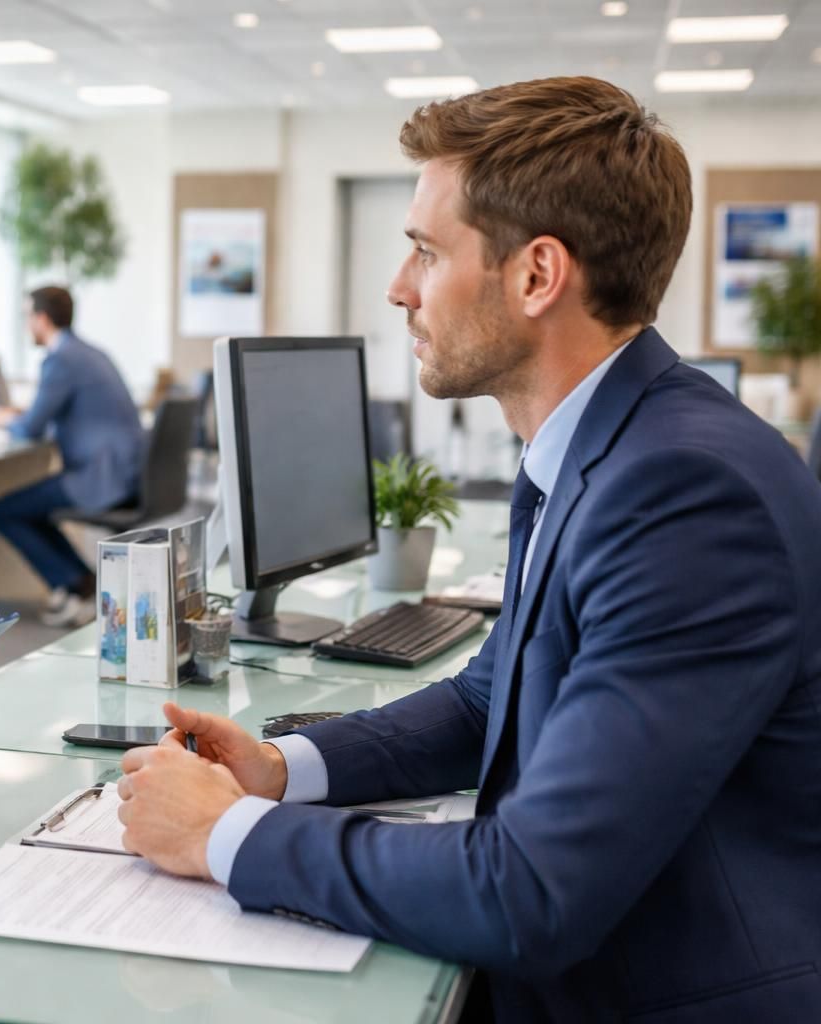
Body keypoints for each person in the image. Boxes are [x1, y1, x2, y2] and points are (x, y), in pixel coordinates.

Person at [115, 77, 821, 1022]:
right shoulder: (606, 442)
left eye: (424, 251)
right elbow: (491, 694)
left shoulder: (686, 493)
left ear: (536, 275)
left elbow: (530, 890)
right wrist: (282, 771)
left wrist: (226, 835)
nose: (399, 288)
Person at [0, 286, 144, 626]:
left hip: (101, 477)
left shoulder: (62, 359)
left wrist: (4, 419)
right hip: (125, 471)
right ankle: (79, 584)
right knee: (32, 508)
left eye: (28, 317)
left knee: (3, 511)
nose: (27, 325)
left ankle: (75, 584)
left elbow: (30, 428)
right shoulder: (90, 352)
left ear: (41, 319)